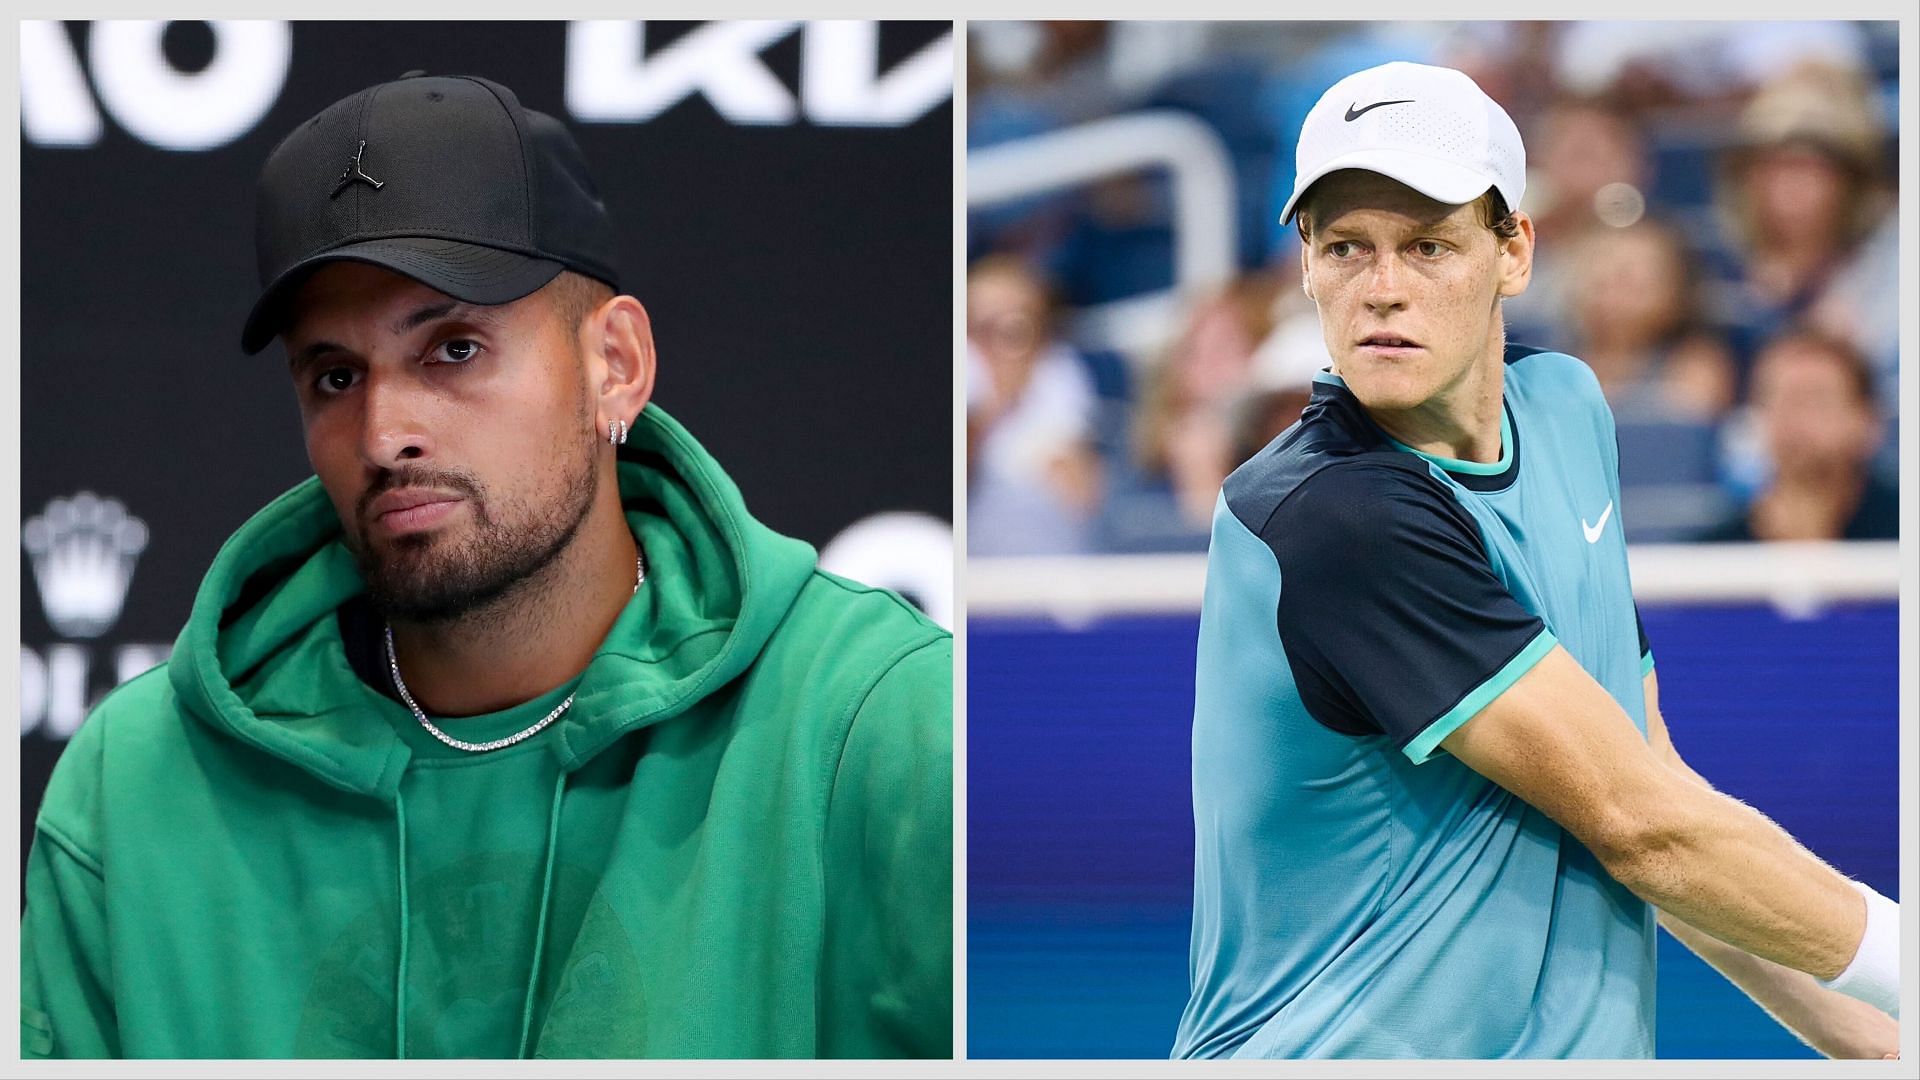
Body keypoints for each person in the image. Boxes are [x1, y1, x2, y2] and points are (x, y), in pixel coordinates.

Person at [20, 72, 952, 1060]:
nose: (385, 433)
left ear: (617, 364)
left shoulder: (883, 728)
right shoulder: (137, 785)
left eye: (454, 349)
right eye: (336, 375)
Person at [1173, 61, 1898, 1060]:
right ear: (1305, 264)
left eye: (1428, 245)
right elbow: (1643, 824)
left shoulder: (1565, 412)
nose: (1382, 290)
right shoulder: (1334, 516)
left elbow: (1653, 793)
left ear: (1515, 249)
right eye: (1346, 247)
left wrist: (1877, 1043)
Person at [1696, 329, 1897, 543]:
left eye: (1816, 399)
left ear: (1867, 421)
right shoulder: (1714, 557)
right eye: (1777, 397)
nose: (1793, 417)